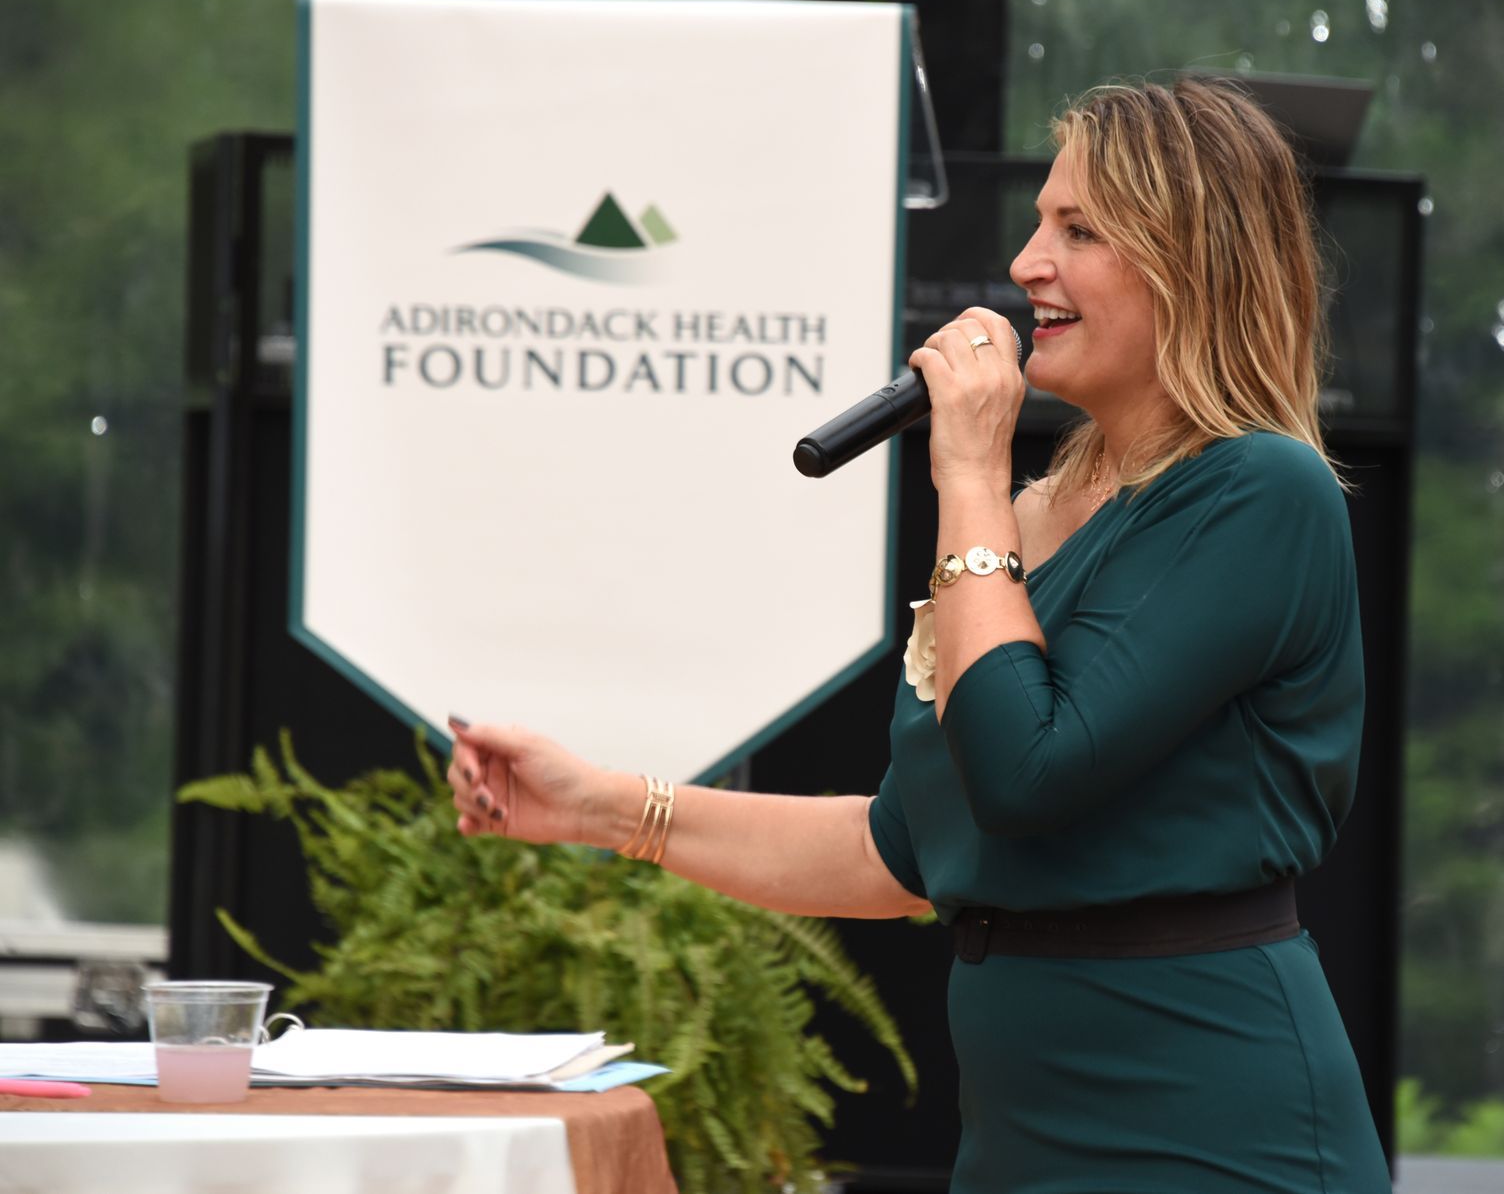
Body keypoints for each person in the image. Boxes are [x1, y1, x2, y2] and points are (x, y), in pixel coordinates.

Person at [446, 76, 1392, 1193]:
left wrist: (970, 474)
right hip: (1021, 1141)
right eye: (1038, 223)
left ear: (1195, 262)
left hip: (1215, 1135)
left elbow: (1028, 770)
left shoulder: (1260, 492)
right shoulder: (1028, 517)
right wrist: (603, 807)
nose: (1028, 263)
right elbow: (898, 852)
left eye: (1079, 230)